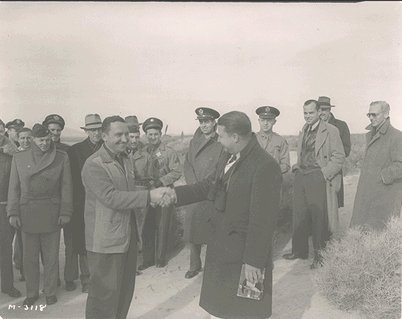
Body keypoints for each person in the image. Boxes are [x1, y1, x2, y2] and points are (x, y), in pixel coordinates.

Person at [161, 111, 282, 319]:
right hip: (221, 248)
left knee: (246, 311)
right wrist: (174, 194)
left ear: (235, 137)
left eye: (221, 135)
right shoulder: (228, 155)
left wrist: (253, 261)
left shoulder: (265, 166)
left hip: (245, 256)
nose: (218, 140)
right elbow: (208, 185)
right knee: (219, 310)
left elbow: (263, 221)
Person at [81, 115, 165, 319]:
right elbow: (111, 197)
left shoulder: (125, 159)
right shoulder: (94, 164)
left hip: (127, 237)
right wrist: (148, 196)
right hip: (105, 241)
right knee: (104, 298)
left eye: (127, 134)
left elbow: (128, 191)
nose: (125, 139)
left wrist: (153, 194)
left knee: (124, 294)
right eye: (118, 134)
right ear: (104, 136)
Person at [7, 123, 73, 306]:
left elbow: (66, 187)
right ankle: (31, 292)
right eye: (40, 140)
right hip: (27, 212)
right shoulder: (19, 158)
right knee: (29, 257)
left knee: (51, 257)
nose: (44, 143)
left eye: (47, 139)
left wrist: (65, 211)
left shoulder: (61, 157)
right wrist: (12, 212)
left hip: (51, 211)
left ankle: (50, 291)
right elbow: (14, 188)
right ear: (33, 140)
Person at [283, 100, 345, 269]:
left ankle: (320, 255)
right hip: (302, 176)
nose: (307, 116)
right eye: (305, 113)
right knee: (300, 215)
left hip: (318, 176)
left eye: (311, 113)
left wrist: (324, 174)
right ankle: (299, 251)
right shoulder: (304, 129)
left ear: (319, 112)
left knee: (319, 217)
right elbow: (303, 153)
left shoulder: (331, 130)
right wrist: (297, 166)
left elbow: (339, 157)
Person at [182, 107, 224, 279]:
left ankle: (213, 265)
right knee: (193, 229)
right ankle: (194, 265)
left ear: (214, 122)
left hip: (212, 191)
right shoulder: (194, 142)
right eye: (201, 122)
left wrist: (209, 187)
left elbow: (221, 167)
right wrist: (193, 186)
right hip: (195, 192)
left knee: (213, 230)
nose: (204, 125)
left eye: (207, 121)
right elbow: (187, 164)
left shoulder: (221, 141)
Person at [350, 101, 402, 230]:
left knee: (378, 236)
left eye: (375, 114)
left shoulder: (396, 136)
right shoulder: (371, 134)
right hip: (368, 193)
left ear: (386, 114)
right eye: (369, 114)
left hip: (384, 196)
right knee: (362, 232)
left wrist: (381, 177)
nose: (371, 118)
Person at [67, 114, 104, 293]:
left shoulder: (110, 148)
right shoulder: (75, 151)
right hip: (83, 204)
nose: (96, 133)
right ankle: (87, 279)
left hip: (106, 203)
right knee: (83, 242)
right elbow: (72, 181)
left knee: (104, 240)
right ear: (87, 131)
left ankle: (101, 278)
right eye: (92, 129)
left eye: (98, 129)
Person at [139, 117, 182, 270]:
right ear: (145, 135)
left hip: (164, 193)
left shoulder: (169, 152)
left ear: (160, 134)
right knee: (147, 226)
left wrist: (161, 181)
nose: (152, 137)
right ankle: (148, 258)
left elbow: (177, 171)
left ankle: (161, 257)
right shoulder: (142, 152)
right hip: (148, 193)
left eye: (155, 134)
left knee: (162, 225)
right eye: (149, 134)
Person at [42, 114, 75, 290]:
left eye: (58, 130)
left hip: (66, 202)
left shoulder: (68, 150)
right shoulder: (40, 149)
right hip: (47, 205)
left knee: (70, 241)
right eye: (51, 130)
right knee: (49, 246)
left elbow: (72, 180)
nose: (55, 133)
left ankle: (69, 277)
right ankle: (52, 279)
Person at [125, 115, 159, 261]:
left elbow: (151, 178)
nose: (133, 141)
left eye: (136, 137)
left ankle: (136, 260)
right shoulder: (117, 153)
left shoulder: (146, 155)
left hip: (140, 193)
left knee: (139, 227)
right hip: (123, 194)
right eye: (131, 137)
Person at [318, 96, 351, 208]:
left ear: (329, 110)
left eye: (324, 109)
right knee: (318, 204)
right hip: (317, 171)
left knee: (332, 206)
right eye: (319, 109)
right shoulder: (313, 126)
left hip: (333, 171)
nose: (321, 113)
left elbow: (346, 150)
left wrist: (331, 164)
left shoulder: (341, 125)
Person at [0, 132, 20, 298]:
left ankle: (7, 285)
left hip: (5, 206)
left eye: (1, 131)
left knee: (5, 247)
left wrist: (14, 153)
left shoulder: (12, 152)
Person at [255, 106, 290, 174]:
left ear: (274, 122)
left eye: (269, 120)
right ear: (259, 121)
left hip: (274, 178)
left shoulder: (280, 141)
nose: (265, 123)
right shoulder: (251, 139)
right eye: (262, 120)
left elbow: (286, 165)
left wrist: (271, 171)